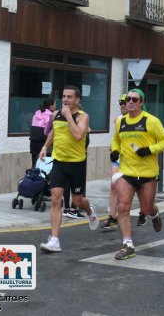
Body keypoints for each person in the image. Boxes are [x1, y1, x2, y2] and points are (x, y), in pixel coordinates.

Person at [110, 89, 164, 260]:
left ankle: (154, 213)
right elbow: (116, 139)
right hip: (127, 172)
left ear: (141, 102)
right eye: (127, 99)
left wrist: (149, 150)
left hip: (147, 173)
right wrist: (115, 151)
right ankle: (128, 245)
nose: (129, 102)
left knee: (146, 208)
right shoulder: (120, 121)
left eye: (134, 100)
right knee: (123, 206)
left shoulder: (151, 121)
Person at [39, 85, 99, 252]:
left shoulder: (82, 116)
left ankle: (89, 210)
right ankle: (55, 240)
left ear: (77, 100)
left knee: (77, 201)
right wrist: (45, 147)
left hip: (77, 164)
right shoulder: (56, 115)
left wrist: (68, 117)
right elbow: (54, 132)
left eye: (69, 97)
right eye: (64, 96)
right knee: (56, 199)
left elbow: (79, 135)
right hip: (59, 162)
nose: (65, 99)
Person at [102, 94, 128, 230]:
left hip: (133, 161)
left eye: (125, 102)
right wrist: (114, 147)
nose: (123, 105)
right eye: (121, 103)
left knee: (134, 190)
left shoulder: (142, 120)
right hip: (119, 159)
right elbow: (116, 138)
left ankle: (145, 211)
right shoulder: (117, 119)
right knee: (113, 185)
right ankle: (112, 217)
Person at [29, 98, 55, 167]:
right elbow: (50, 130)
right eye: (54, 105)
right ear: (51, 106)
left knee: (34, 164)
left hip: (33, 142)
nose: (55, 106)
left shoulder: (36, 114)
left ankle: (32, 177)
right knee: (44, 165)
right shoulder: (51, 115)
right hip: (44, 142)